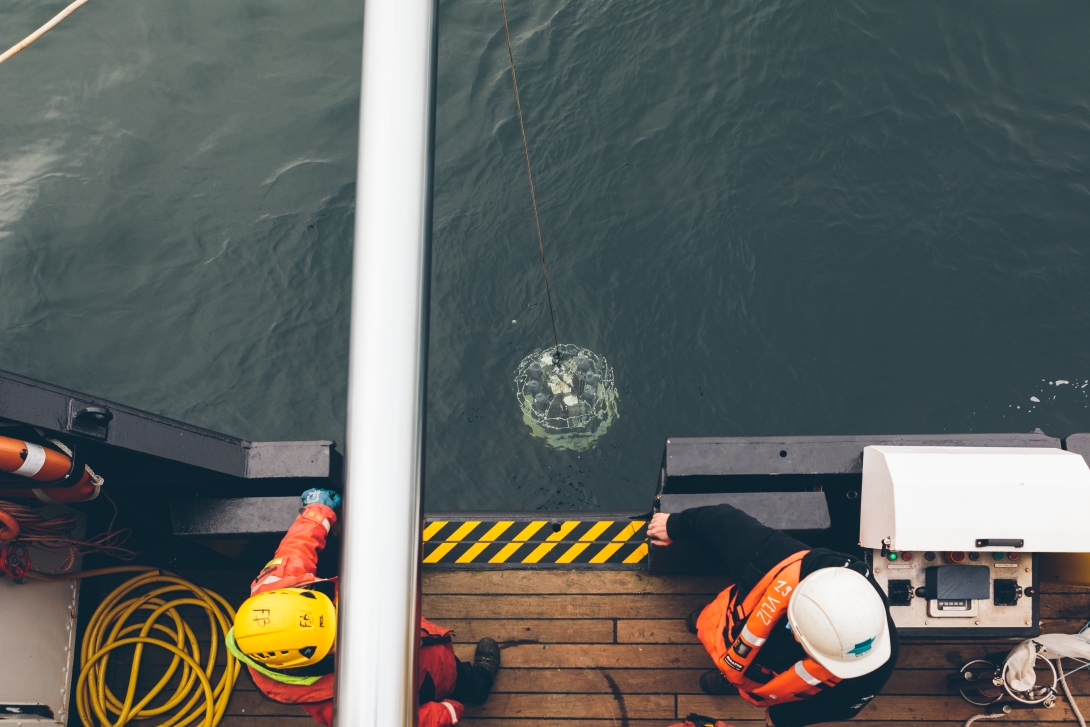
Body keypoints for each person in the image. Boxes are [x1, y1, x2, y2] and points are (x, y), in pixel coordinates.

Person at [225, 488, 500, 726]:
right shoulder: (341, 706)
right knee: (452, 685)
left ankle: (475, 685)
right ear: (307, 660)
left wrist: (318, 511)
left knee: (457, 673)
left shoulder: (275, 590)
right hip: (422, 686)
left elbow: (295, 550)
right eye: (334, 638)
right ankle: (475, 687)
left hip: (429, 651)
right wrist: (448, 713)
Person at [647, 504, 898, 727]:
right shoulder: (770, 556)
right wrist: (673, 525)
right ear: (799, 634)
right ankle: (702, 624)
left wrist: (784, 719)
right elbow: (721, 520)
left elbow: (845, 707)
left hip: (760, 675)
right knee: (702, 621)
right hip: (728, 623)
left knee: (738, 675)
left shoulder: (876, 656)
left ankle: (730, 680)